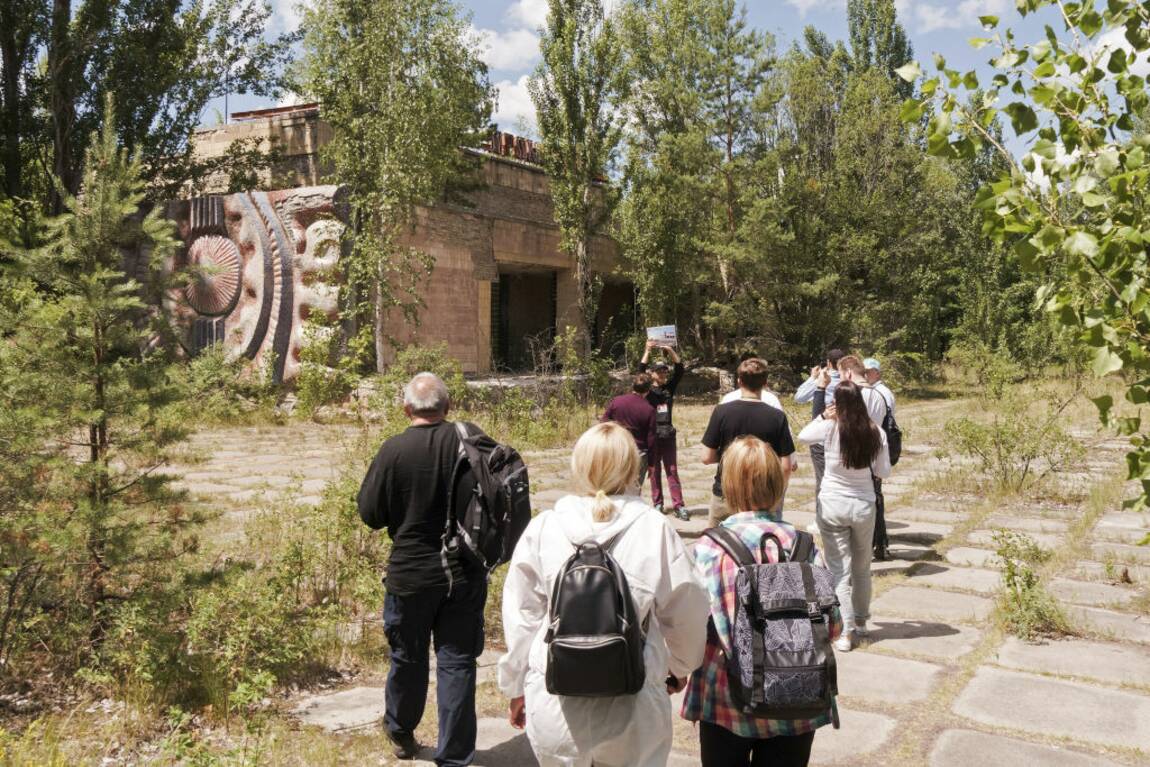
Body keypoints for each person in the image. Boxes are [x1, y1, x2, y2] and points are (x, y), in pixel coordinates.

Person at [497, 422, 710, 767]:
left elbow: (522, 615)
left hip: (557, 700)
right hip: (633, 701)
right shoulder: (654, 529)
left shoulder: (545, 527)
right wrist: (679, 665)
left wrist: (516, 684)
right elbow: (687, 608)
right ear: (632, 468)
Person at [682, 436, 843, 766]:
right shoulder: (804, 546)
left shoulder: (710, 549)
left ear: (728, 485)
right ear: (777, 483)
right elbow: (834, 625)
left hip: (727, 700)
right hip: (797, 696)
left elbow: (689, 628)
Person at [357, 373, 486, 765]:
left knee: (407, 658)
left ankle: (401, 732)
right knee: (458, 662)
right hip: (463, 573)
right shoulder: (470, 441)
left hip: (410, 575)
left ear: (406, 408)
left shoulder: (393, 450)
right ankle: (456, 756)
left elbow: (371, 514)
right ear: (447, 408)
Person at [798, 380, 891, 653]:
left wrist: (822, 415)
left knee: (839, 570)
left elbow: (803, 436)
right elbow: (883, 472)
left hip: (832, 503)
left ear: (836, 403)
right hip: (863, 504)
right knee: (862, 567)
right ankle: (861, 621)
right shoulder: (875, 432)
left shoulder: (829, 428)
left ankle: (845, 631)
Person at [702, 358, 797, 527]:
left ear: (739, 381)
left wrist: (729, 455)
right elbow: (786, 466)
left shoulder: (721, 412)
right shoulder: (777, 417)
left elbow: (707, 457)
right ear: (766, 383)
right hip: (762, 496)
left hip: (726, 492)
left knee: (716, 546)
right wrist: (777, 493)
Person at [638, 340, 689, 520]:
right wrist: (647, 350)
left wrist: (670, 350)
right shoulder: (647, 390)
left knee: (672, 470)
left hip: (668, 434)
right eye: (659, 371)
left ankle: (679, 505)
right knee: (654, 471)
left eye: (665, 371)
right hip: (652, 436)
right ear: (652, 374)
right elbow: (640, 370)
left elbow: (680, 369)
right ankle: (658, 503)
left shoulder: (669, 389)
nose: (663, 373)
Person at [793, 349, 846, 514]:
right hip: (845, 436)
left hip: (821, 436)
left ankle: (822, 516)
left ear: (829, 363)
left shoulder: (824, 380)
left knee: (822, 479)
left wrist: (813, 378)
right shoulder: (850, 381)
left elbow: (799, 397)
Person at [863, 357, 895, 560]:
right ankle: (878, 542)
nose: (865, 375)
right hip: (875, 449)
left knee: (876, 499)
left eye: (868, 371)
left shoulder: (882, 393)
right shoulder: (874, 391)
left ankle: (880, 543)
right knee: (875, 498)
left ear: (877, 372)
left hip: (876, 451)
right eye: (863, 371)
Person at [602, 373, 657, 488]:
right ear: (648, 390)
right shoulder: (649, 409)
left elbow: (604, 422)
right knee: (634, 490)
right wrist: (651, 464)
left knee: (613, 487)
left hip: (617, 449)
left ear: (633, 386)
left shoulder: (617, 401)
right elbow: (651, 439)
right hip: (638, 454)